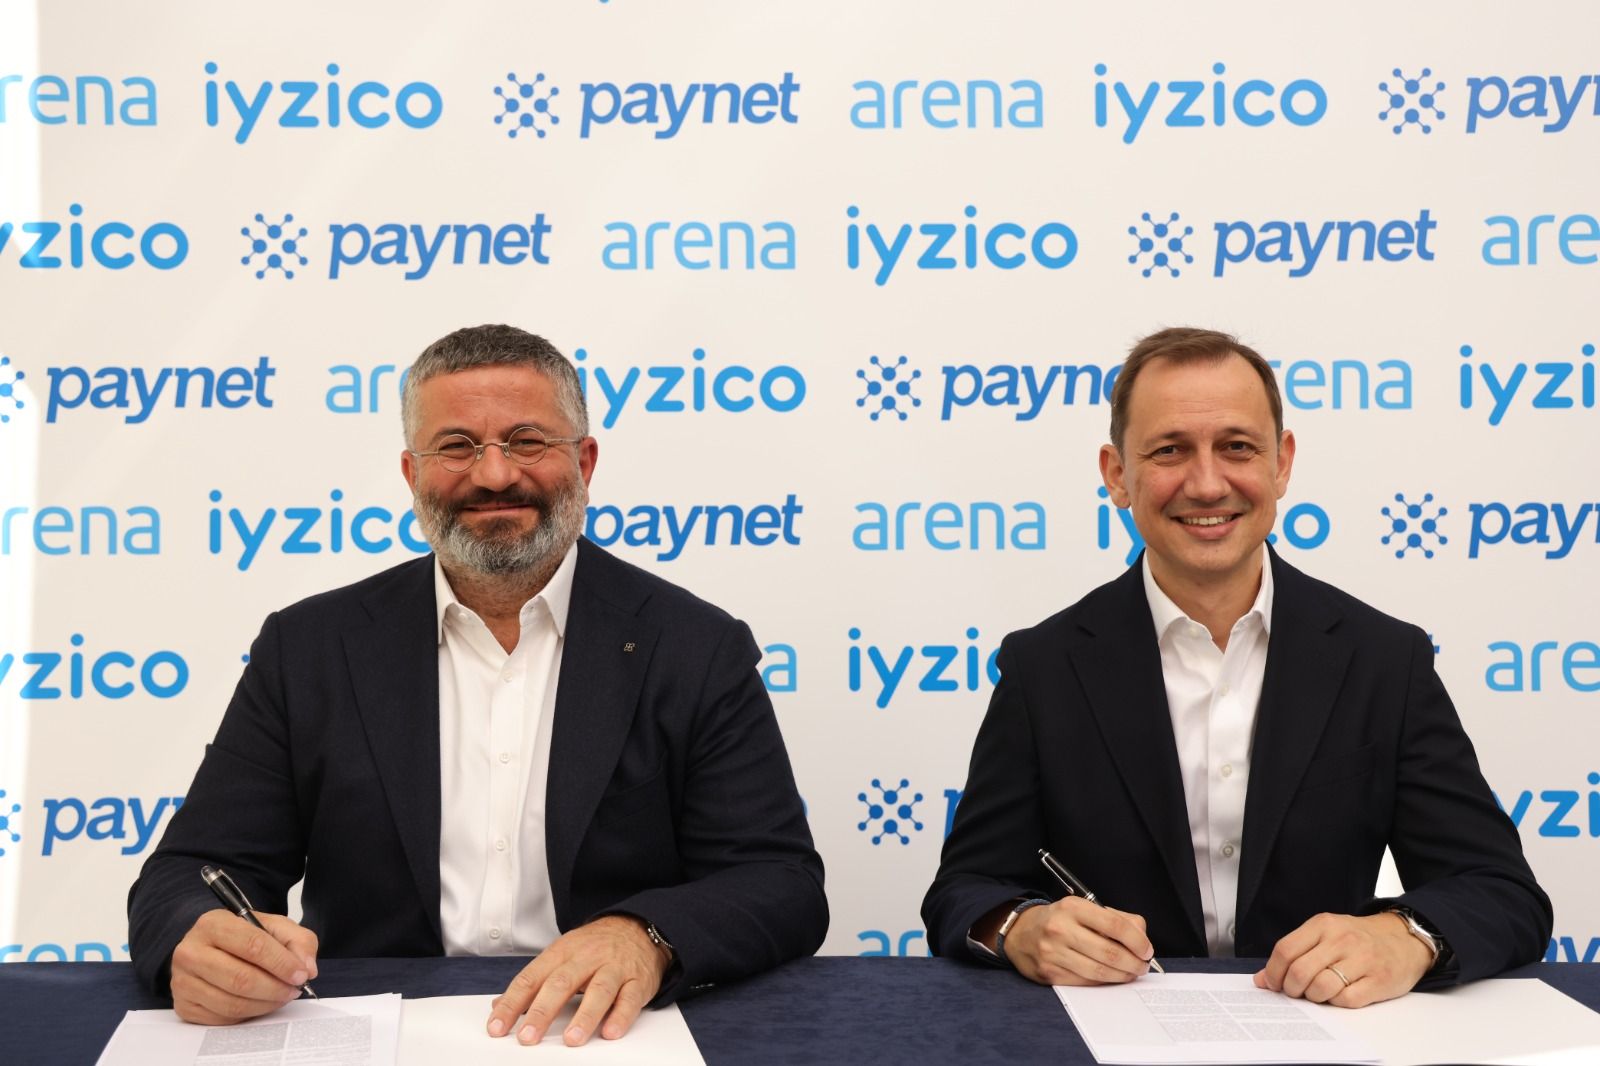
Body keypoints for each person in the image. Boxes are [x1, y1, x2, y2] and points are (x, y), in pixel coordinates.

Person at [129, 324, 826, 1044]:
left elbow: (779, 880)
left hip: (605, 1035)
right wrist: (196, 939)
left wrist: (646, 935)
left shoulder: (695, 648)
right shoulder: (309, 649)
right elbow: (192, 872)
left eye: (527, 441)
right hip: (373, 1034)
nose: (494, 475)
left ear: (584, 461)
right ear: (412, 475)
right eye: (457, 447)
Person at [922, 327, 1550, 1007]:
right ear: (1117, 475)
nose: (1206, 483)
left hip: (1327, 1037)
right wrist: (1020, 928)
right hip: (1110, 1039)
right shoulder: (1041, 668)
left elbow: (1501, 891)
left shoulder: (1384, 661)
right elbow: (964, 891)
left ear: (1282, 464)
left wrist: (1407, 937)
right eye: (1169, 450)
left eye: (1237, 447)